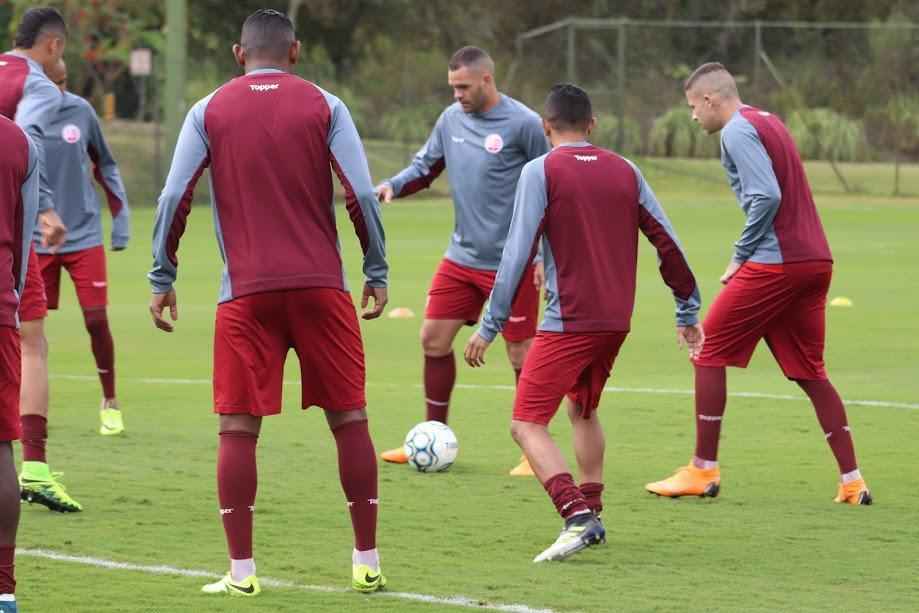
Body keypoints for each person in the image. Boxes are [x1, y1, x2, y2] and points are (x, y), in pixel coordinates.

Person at [148, 9, 389, 596]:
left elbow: (175, 193)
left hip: (245, 294)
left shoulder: (208, 110)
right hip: (321, 287)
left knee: (237, 428)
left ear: (238, 53)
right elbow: (359, 191)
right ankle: (366, 560)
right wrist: (375, 267)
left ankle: (242, 574)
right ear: (296, 52)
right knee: (350, 418)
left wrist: (163, 273)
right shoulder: (326, 105)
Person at [465, 84, 702, 562]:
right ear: (592, 125)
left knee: (526, 423)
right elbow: (667, 241)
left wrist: (489, 324)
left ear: (544, 127)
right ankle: (593, 511)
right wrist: (687, 308)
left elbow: (516, 253)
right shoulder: (626, 170)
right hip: (615, 321)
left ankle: (576, 516)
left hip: (568, 320)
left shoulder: (541, 170)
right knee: (583, 410)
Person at [645, 62, 871, 505]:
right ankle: (852, 481)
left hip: (777, 263)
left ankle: (702, 470)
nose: (693, 117)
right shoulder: (769, 120)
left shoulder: (735, 131)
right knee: (811, 372)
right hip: (815, 261)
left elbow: (767, 195)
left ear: (710, 100)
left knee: (706, 348)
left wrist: (740, 253)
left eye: (693, 107)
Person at [376, 46, 549, 475]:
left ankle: (534, 450)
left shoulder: (524, 124)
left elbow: (552, 187)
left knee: (519, 353)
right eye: (452, 87)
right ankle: (434, 434)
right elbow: (426, 165)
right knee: (433, 338)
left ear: (487, 80)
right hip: (461, 256)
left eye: (464, 87)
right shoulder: (450, 119)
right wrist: (393, 186)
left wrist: (545, 255)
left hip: (513, 262)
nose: (457, 95)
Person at [0, 7, 73, 514]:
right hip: (9, 227)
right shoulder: (39, 84)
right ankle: (36, 468)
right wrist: (44, 208)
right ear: (52, 46)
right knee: (31, 340)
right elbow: (25, 149)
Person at [0, 113, 41, 613]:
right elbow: (24, 234)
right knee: (1, 449)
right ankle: (3, 589)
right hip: (0, 313)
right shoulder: (17, 139)